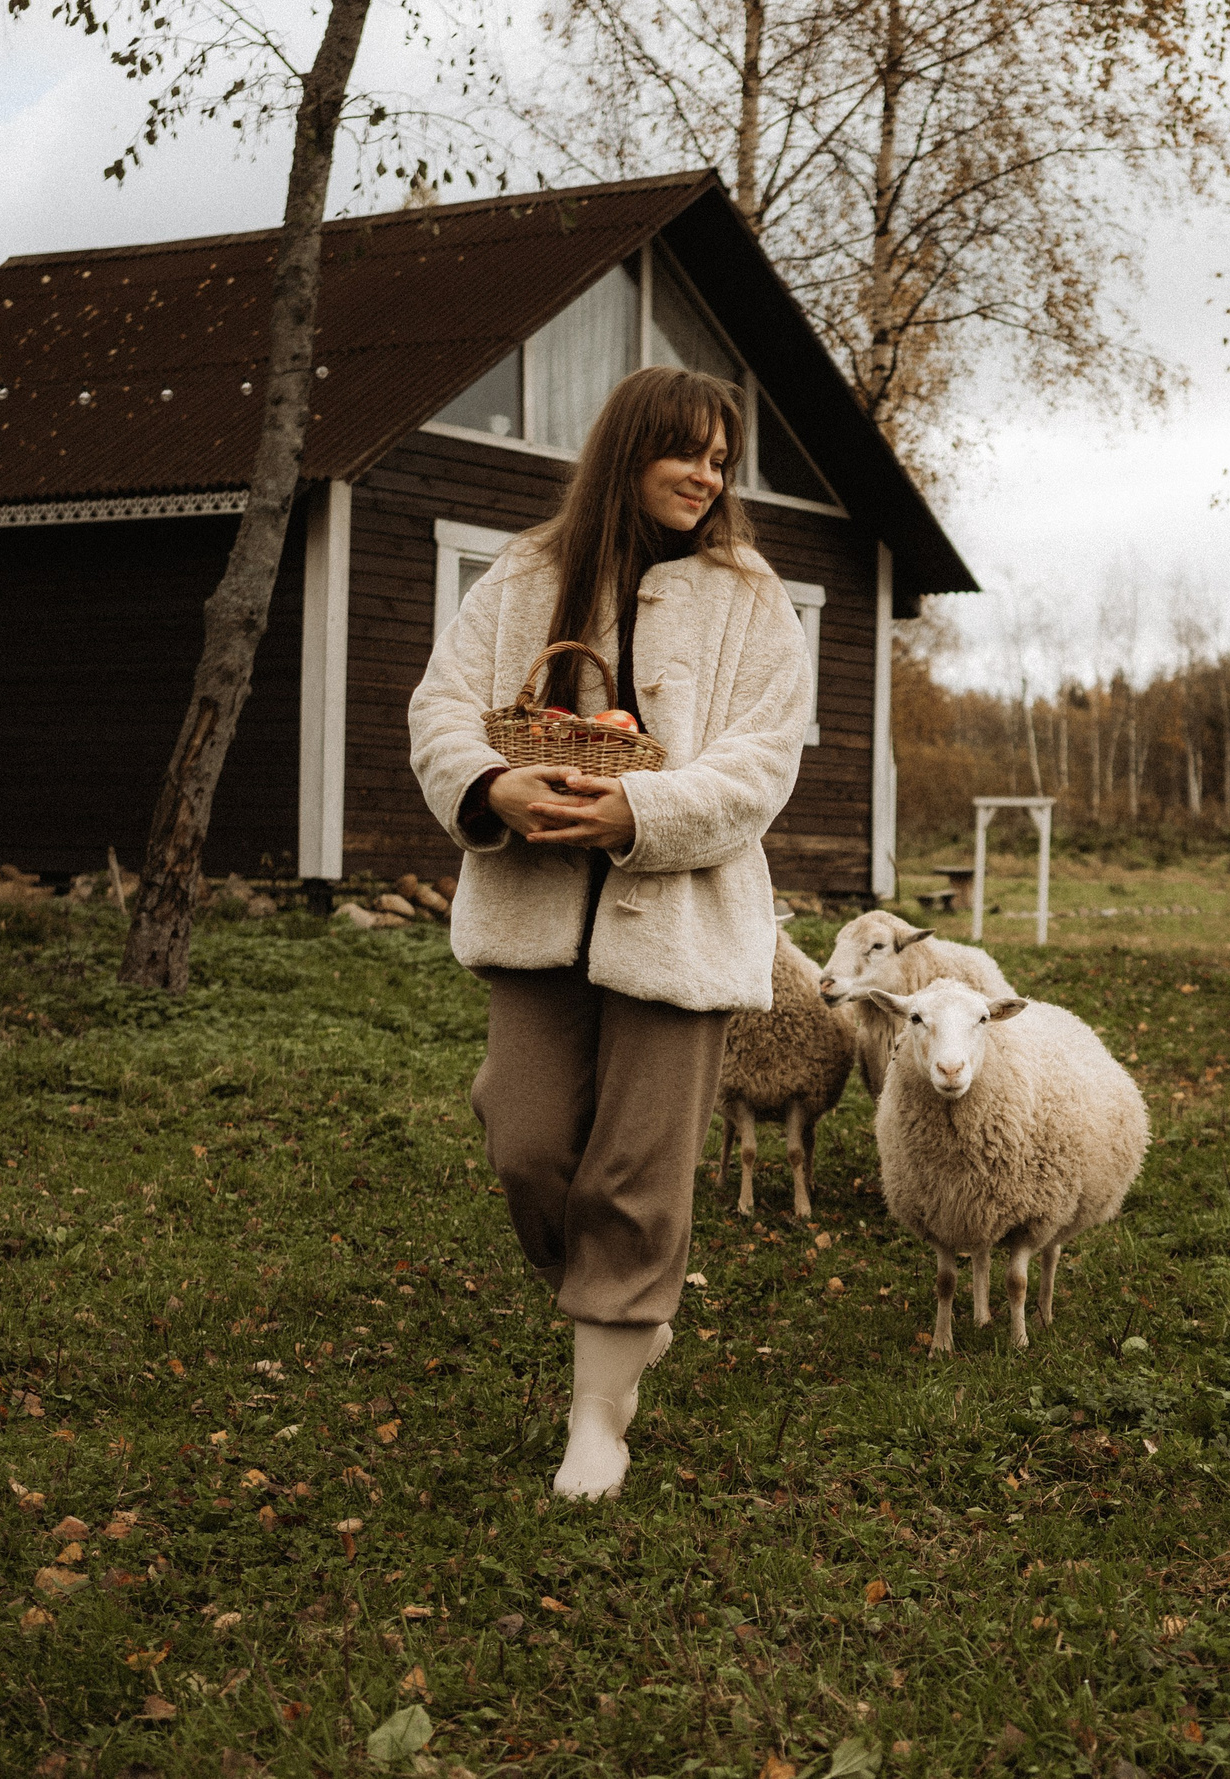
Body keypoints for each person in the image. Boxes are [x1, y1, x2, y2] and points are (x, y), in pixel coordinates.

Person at [408, 366, 812, 1500]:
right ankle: (626, 1304)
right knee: (526, 1143)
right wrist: (493, 787)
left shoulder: (750, 594)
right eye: (686, 450)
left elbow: (762, 760)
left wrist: (643, 806)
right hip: (536, 914)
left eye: (721, 460)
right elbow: (440, 710)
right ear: (628, 448)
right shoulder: (526, 574)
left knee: (638, 1175)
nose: (706, 475)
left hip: (680, 924)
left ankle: (600, 1412)